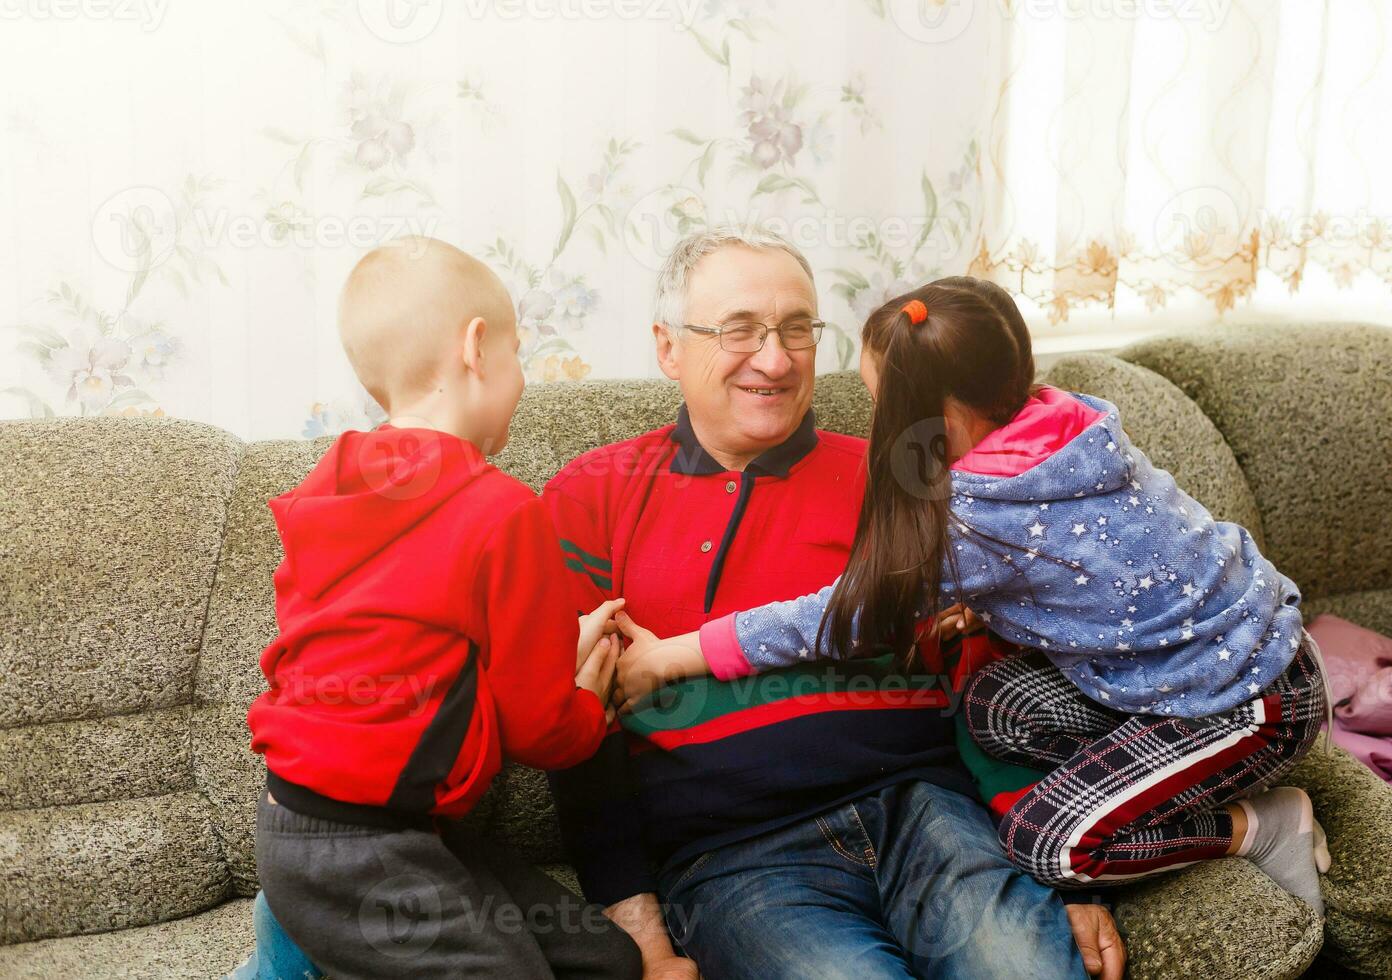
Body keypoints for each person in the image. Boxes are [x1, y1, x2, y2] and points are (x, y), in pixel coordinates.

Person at [618, 277, 1334, 914]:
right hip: (1198, 659)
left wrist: (672, 657)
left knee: (1047, 844)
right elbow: (1079, 568)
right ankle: (1136, 781)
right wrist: (992, 602)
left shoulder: (977, 513)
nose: (877, 424)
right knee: (995, 704)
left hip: (1248, 697)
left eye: (882, 404)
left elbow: (837, 619)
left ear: (943, 416)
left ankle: (1262, 825)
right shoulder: (1068, 420)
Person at [543, 230, 1117, 979]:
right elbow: (581, 742)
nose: (775, 360)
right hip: (738, 859)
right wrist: (647, 944)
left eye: (797, 330)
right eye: (740, 330)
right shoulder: (591, 496)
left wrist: (1062, 862)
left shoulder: (902, 480)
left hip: (930, 815)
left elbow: (994, 679)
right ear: (668, 347)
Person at [246, 237, 640, 980]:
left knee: (606, 962)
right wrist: (592, 702)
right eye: (521, 353)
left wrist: (560, 644)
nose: (524, 379)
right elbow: (541, 728)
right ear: (477, 347)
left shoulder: (329, 483)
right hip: (354, 847)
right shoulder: (501, 510)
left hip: (344, 829)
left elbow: (410, 636)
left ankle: (300, 940)